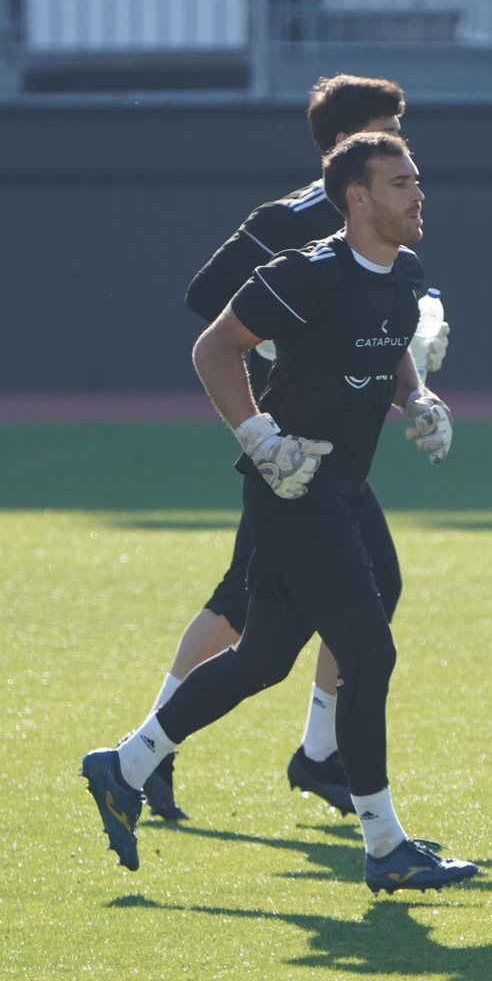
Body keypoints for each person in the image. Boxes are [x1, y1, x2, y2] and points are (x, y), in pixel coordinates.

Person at [82, 131, 478, 894]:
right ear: (357, 198)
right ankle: (385, 846)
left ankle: (124, 765)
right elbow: (213, 348)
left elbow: (393, 341)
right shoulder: (308, 273)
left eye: (416, 180)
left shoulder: (405, 273)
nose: (417, 194)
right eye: (400, 183)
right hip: (293, 495)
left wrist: (418, 399)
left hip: (342, 492)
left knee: (263, 658)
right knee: (369, 654)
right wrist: (260, 437)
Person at [141, 75, 447, 822]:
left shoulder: (387, 220)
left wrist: (413, 354)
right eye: (389, 125)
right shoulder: (300, 217)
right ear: (353, 142)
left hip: (333, 451)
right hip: (290, 447)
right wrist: (273, 387)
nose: (403, 141)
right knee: (243, 612)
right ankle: (150, 752)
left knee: (338, 603)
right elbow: (211, 303)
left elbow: (382, 298)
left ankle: (310, 753)